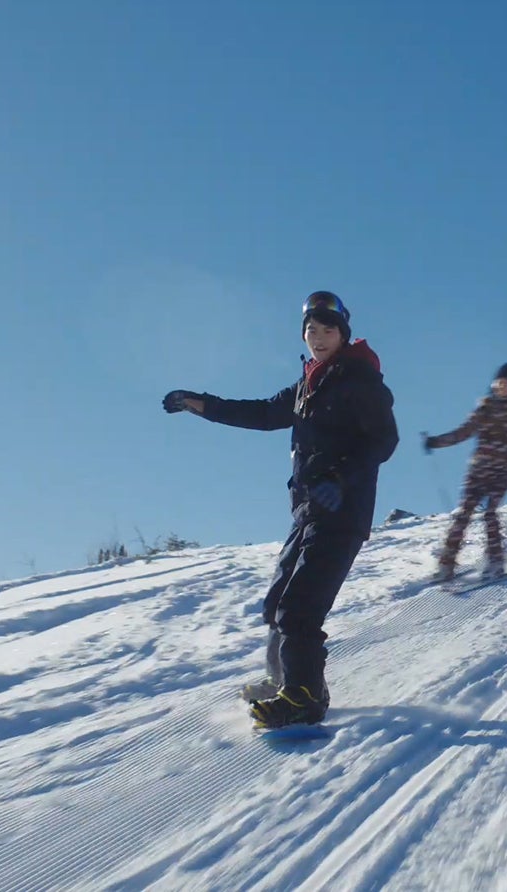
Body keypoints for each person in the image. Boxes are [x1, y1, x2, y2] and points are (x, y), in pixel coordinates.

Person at [162, 291, 398, 728]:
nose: (317, 337)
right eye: (311, 329)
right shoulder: (308, 384)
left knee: (300, 606)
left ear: (343, 334)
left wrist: (339, 480)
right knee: (277, 604)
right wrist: (201, 404)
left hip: (343, 511)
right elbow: (264, 412)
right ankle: (287, 682)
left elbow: (383, 441)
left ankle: (304, 699)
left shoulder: (360, 380)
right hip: (308, 510)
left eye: (327, 329)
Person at [423, 363, 507, 581]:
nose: (501, 387)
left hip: (502, 472)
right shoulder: (484, 410)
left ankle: (495, 563)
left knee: (490, 513)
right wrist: (436, 442)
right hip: (477, 471)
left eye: (506, 384)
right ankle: (446, 564)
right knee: (463, 514)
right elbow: (462, 432)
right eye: (498, 384)